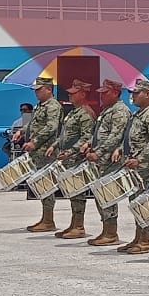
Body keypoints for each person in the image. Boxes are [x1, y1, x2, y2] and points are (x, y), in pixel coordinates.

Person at [114, 78, 149, 253]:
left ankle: (145, 240)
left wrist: (141, 159)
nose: (133, 96)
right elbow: (131, 137)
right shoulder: (138, 114)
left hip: (142, 166)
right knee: (135, 201)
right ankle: (137, 237)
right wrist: (120, 149)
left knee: (143, 201)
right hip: (132, 164)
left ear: (148, 94)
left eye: (136, 93)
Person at [85, 80, 132, 247]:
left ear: (115, 93)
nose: (101, 95)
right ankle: (106, 230)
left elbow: (115, 136)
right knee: (101, 196)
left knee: (108, 195)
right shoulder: (108, 110)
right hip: (101, 160)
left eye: (105, 92)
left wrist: (97, 152)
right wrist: (89, 143)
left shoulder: (120, 111)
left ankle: (111, 232)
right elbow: (100, 133)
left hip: (109, 160)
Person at [49, 79, 96, 239]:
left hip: (77, 159)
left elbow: (86, 137)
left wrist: (70, 152)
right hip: (68, 158)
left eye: (73, 93)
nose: (70, 96)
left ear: (82, 94)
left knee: (78, 193)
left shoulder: (85, 113)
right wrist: (55, 146)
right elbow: (64, 135)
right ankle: (74, 223)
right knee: (72, 193)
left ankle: (79, 226)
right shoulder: (73, 112)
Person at [21, 76, 63, 232]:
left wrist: (35, 141)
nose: (36, 93)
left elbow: (51, 127)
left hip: (47, 152)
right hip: (38, 153)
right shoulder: (40, 106)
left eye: (39, 90)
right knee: (41, 184)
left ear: (49, 89)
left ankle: (49, 220)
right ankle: (45, 218)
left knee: (46, 185)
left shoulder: (53, 106)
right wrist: (21, 131)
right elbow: (34, 124)